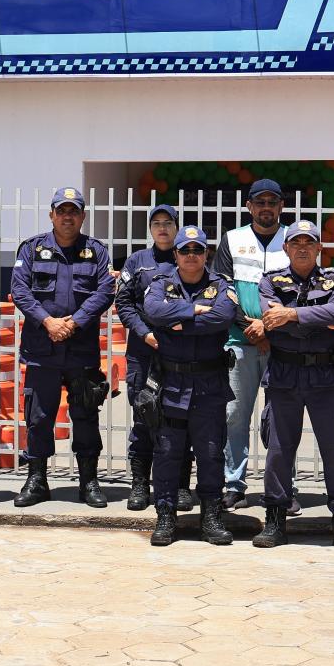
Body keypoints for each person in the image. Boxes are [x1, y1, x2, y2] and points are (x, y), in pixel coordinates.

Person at [253, 220, 334, 550]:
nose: (302, 247)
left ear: (319, 248)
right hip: (284, 374)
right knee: (278, 450)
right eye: (296, 242)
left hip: (326, 378)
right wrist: (321, 320)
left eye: (309, 242)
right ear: (286, 248)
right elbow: (273, 323)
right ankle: (275, 519)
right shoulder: (269, 280)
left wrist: (290, 316)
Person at [10, 186, 116, 508]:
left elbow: (104, 291)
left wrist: (74, 322)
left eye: (74, 211)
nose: (67, 216)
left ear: (82, 216)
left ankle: (89, 482)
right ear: (52, 214)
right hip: (42, 349)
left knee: (84, 414)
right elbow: (20, 290)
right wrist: (48, 322)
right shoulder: (31, 249)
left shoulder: (96, 251)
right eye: (62, 210)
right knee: (39, 416)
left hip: (81, 349)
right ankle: (37, 480)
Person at [142, 225, 237, 546]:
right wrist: (193, 309)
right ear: (176, 254)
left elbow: (223, 317)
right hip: (172, 383)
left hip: (210, 384)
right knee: (168, 452)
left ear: (207, 253)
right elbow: (153, 311)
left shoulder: (221, 285)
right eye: (185, 250)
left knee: (211, 453)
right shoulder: (161, 284)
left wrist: (179, 322)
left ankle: (211, 515)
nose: (192, 256)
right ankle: (166, 515)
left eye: (198, 250)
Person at [212, 178, 290, 511]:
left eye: (273, 202)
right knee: (234, 415)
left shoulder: (294, 238)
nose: (266, 207)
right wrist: (251, 328)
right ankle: (234, 484)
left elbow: (302, 291)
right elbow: (222, 289)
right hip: (238, 342)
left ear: (281, 206)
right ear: (249, 206)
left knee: (281, 418)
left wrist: (269, 330)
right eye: (260, 202)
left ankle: (283, 487)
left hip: (284, 344)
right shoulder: (233, 239)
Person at [113, 204, 194, 512]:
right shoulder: (137, 261)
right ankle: (139, 484)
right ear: (150, 229)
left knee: (180, 417)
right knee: (144, 416)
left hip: (179, 353)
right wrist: (144, 332)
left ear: (176, 227)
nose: (162, 228)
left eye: (168, 223)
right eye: (156, 223)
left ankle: (181, 485)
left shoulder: (186, 258)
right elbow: (124, 301)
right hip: (143, 351)